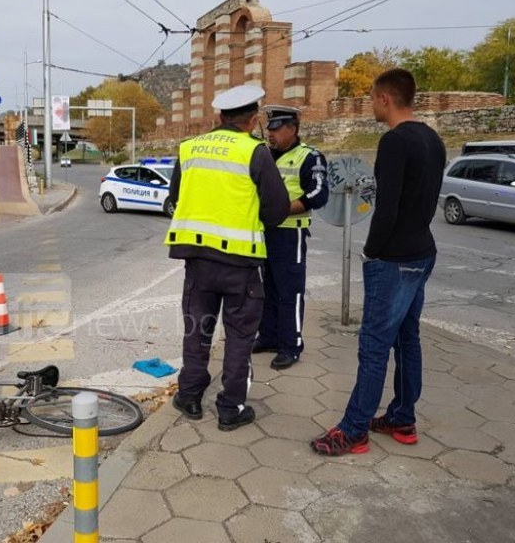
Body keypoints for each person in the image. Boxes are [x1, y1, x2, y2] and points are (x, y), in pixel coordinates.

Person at [311, 68, 446, 456]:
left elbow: (386, 208)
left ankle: (353, 430)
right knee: (407, 339)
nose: (371, 104)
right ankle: (403, 418)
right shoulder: (433, 140)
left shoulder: (395, 142)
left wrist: (372, 252)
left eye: (371, 97)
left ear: (386, 99)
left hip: (395, 259)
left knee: (373, 345)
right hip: (423, 252)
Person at [165, 85, 290, 432]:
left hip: (198, 261)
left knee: (197, 331)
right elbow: (277, 210)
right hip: (241, 265)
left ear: (219, 117)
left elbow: (176, 197)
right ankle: (230, 409)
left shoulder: (189, 149)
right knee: (239, 338)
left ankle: (189, 397)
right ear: (253, 120)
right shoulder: (255, 152)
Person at [253, 106, 329, 369]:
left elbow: (318, 195)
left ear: (292, 129)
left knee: (289, 291)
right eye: (269, 129)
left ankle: (291, 345)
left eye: (276, 129)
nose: (270, 134)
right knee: (266, 289)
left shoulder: (309, 157)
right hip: (263, 232)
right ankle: (269, 337)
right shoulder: (264, 154)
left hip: (289, 233)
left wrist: (281, 209)